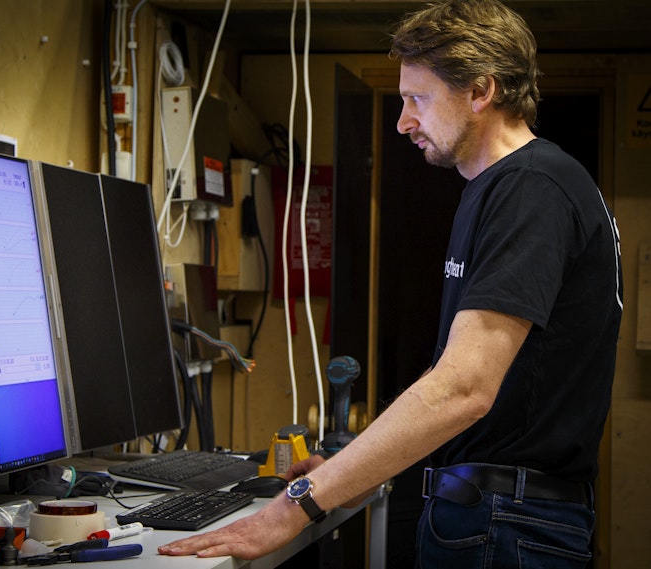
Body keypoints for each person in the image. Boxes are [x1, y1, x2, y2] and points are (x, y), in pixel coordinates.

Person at [158, 0, 623, 566]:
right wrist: (350, 469)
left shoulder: (531, 189)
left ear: (480, 91)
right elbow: (450, 375)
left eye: (416, 99)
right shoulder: (503, 188)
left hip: (505, 523)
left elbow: (463, 390)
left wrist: (289, 509)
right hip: (493, 512)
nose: (403, 121)